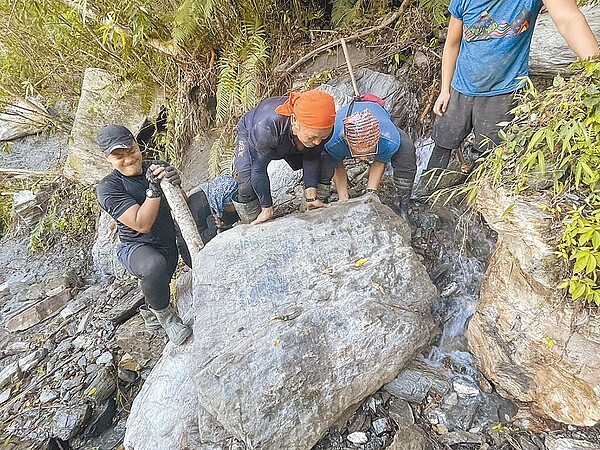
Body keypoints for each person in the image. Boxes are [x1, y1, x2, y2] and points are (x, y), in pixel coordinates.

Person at [426, 0, 599, 176]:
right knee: (443, 142)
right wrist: (444, 90)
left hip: (503, 93)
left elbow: (568, 18)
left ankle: (472, 196)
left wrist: (595, 67)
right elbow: (452, 44)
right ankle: (425, 193)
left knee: (489, 154)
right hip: (460, 88)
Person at [95, 124, 192, 345]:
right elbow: (142, 224)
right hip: (137, 248)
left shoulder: (156, 167)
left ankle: (150, 308)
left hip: (167, 241)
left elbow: (182, 205)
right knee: (153, 266)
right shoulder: (108, 188)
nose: (128, 159)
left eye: (131, 151)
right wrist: (154, 189)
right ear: (107, 158)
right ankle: (166, 319)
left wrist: (175, 184)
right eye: (119, 156)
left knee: (162, 274)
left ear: (138, 146)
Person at [233, 90, 337, 225]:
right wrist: (267, 208)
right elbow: (258, 169)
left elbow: (312, 157)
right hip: (255, 131)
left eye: (322, 137)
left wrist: (311, 197)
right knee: (246, 186)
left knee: (326, 162)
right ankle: (253, 223)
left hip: (290, 140)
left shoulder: (322, 130)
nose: (318, 142)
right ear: (295, 121)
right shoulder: (265, 128)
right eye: (312, 137)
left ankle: (311, 207)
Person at [323, 96, 417, 224]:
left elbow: (379, 162)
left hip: (380, 119)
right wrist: (343, 199)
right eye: (359, 153)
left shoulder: (389, 139)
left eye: (369, 153)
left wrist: (371, 194)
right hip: (344, 123)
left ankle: (402, 206)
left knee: (406, 150)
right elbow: (337, 166)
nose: (363, 158)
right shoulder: (334, 142)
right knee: (324, 157)